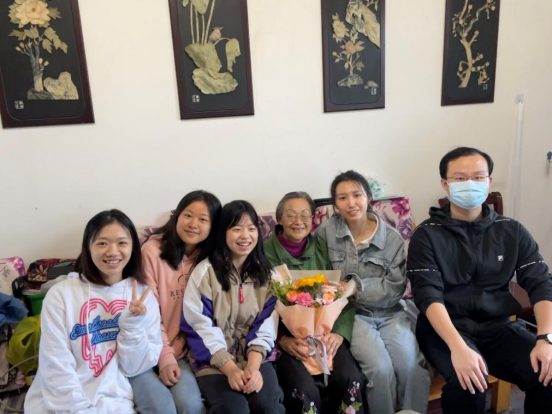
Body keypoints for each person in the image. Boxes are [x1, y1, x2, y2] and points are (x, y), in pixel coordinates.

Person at [408, 147, 552, 414]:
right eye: (460, 178)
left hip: (498, 328)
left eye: (477, 177)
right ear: (445, 184)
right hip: (446, 330)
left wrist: (546, 338)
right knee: (468, 385)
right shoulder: (427, 235)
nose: (469, 184)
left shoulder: (511, 230)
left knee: (548, 373)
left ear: (489, 182)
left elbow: (541, 282)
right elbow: (427, 294)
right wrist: (458, 347)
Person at [25, 209, 162, 414]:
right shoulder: (61, 295)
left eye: (122, 243)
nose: (113, 252)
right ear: (88, 247)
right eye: (102, 243)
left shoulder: (142, 296)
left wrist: (132, 327)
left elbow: (135, 367)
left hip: (116, 403)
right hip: (60, 404)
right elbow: (56, 365)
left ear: (133, 247)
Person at [316, 171, 429, 414]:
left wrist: (356, 286)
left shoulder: (391, 239)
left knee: (410, 365)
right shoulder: (326, 232)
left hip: (391, 313)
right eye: (342, 198)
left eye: (357, 195)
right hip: (352, 315)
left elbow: (395, 288)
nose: (351, 203)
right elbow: (320, 275)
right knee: (379, 369)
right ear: (335, 204)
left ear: (368, 197)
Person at [264, 191, 365, 413]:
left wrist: (339, 334)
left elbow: (342, 294)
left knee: (351, 379)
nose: (298, 221)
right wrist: (281, 339)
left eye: (305, 215)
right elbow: (257, 306)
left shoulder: (324, 248)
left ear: (313, 219)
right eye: (291, 215)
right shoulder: (262, 254)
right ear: (279, 219)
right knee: (303, 391)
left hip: (327, 334)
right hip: (287, 340)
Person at [181, 200, 285, 414]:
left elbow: (267, 325)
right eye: (236, 229)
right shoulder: (205, 273)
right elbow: (199, 326)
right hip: (213, 361)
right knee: (234, 408)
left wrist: (253, 367)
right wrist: (229, 368)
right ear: (222, 233)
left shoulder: (269, 275)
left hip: (255, 357)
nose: (245, 236)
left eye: (251, 229)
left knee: (268, 405)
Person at [129, 191, 221, 414]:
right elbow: (149, 316)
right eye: (187, 215)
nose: (193, 224)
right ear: (177, 216)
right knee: (163, 408)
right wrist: (166, 357)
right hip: (149, 349)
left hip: (184, 353)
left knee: (190, 405)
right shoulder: (152, 252)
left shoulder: (211, 259)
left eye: (203, 219)